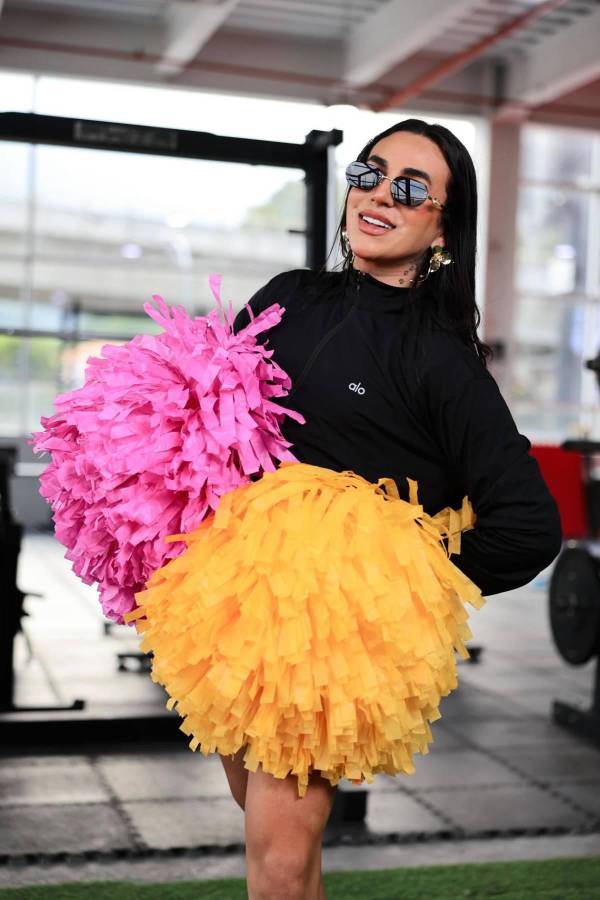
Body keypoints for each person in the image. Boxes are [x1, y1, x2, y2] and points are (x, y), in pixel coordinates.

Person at [220, 118, 562, 899]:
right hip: (243, 612)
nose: (380, 195)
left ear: (443, 225)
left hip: (332, 635)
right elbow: (219, 423)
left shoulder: (440, 357)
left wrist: (399, 579)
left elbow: (528, 523)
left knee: (274, 855)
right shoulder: (287, 299)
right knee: (271, 832)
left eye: (411, 189)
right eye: (370, 173)